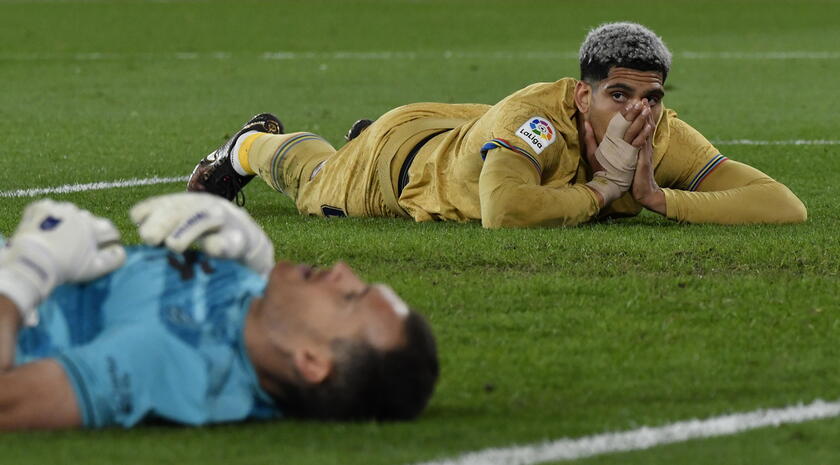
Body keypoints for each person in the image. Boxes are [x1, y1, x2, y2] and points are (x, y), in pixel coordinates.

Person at [187, 22, 807, 228]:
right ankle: (249, 144)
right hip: (401, 163)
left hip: (470, 132)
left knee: (485, 148)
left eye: (649, 98)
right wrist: (600, 192)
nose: (634, 112)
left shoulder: (659, 129)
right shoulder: (536, 120)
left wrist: (656, 197)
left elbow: (783, 205)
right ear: (582, 91)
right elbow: (503, 212)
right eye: (617, 95)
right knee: (315, 178)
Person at [0, 193, 438, 430]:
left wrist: (26, 274)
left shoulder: (172, 363)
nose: (342, 271)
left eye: (348, 298)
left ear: (310, 360)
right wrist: (255, 264)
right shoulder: (265, 318)